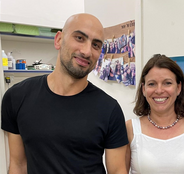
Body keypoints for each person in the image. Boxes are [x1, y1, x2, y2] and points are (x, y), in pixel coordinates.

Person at [1, 13, 128, 174]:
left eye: (96, 45)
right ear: (59, 40)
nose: (87, 51)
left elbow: (117, 171)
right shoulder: (17, 97)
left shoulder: (109, 109)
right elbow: (18, 165)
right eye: (80, 38)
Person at [125, 54, 184, 174]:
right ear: (144, 89)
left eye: (167, 83)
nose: (159, 90)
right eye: (152, 84)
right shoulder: (130, 129)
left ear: (179, 88)